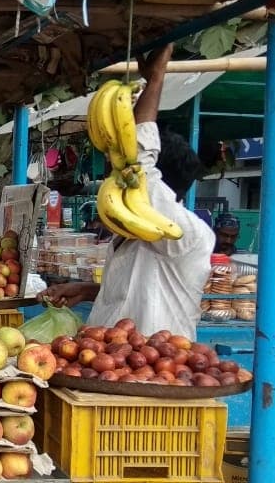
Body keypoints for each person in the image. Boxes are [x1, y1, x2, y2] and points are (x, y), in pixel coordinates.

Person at [38, 44, 214, 339]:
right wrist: (87, 290)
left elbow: (139, 165)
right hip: (109, 355)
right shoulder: (132, 232)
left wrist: (155, 80)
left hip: (155, 360)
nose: (117, 179)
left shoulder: (187, 235)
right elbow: (134, 293)